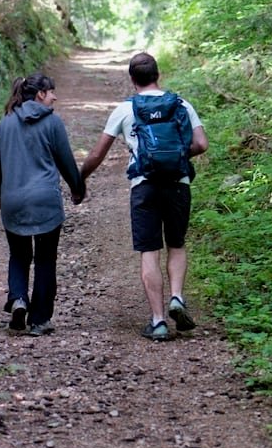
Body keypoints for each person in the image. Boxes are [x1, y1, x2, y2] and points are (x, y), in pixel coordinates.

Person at [80, 52, 209, 341]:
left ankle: (158, 320)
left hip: (144, 185)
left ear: (132, 79)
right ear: (158, 75)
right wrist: (177, 154)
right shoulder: (181, 104)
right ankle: (177, 297)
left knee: (149, 250)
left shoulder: (125, 110)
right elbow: (201, 144)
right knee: (176, 244)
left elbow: (98, 153)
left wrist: (81, 179)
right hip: (178, 183)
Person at [0, 74, 85, 337]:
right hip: (46, 202)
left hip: (13, 201)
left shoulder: (5, 124)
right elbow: (66, 160)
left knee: (18, 255)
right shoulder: (52, 122)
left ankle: (18, 298)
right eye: (51, 92)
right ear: (40, 94)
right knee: (45, 259)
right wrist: (77, 188)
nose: (55, 97)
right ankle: (39, 319)